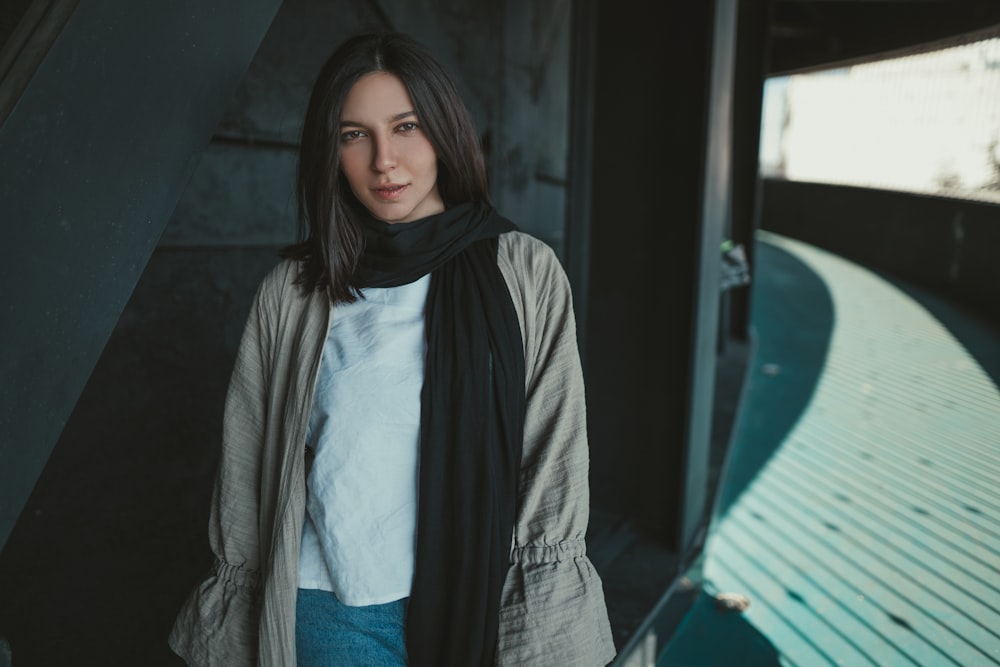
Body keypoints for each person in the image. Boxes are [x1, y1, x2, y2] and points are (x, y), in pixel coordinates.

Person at [168, 31, 615, 666]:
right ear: (332, 151)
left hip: (480, 599)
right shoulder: (295, 291)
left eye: (405, 126)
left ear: (443, 129)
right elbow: (246, 464)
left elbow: (553, 458)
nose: (384, 160)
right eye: (355, 134)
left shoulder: (524, 270)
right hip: (331, 609)